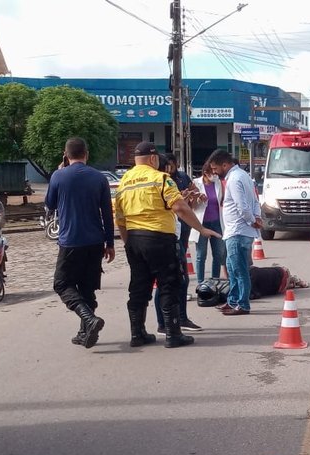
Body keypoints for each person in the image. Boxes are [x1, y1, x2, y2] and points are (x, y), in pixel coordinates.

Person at [115, 142, 219, 348]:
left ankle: (138, 334)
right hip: (159, 238)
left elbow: (119, 219)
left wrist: (129, 244)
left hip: (134, 240)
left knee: (138, 287)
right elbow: (180, 207)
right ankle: (173, 334)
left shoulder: (123, 183)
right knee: (169, 283)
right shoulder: (161, 178)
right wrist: (201, 229)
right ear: (153, 159)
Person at [45, 138, 115, 349]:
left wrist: (58, 174)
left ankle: (89, 319)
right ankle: (85, 332)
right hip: (95, 241)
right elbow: (107, 214)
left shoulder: (59, 176)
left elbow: (50, 204)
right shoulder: (99, 178)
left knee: (62, 284)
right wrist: (110, 242)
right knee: (87, 288)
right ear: (87, 154)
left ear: (65, 156)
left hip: (70, 241)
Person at [206, 149, 260, 315]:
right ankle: (233, 300)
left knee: (239, 270)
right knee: (232, 269)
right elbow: (255, 201)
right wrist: (256, 218)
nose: (214, 173)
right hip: (235, 231)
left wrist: (253, 220)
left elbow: (242, 206)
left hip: (238, 231)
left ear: (225, 164)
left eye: (215, 169)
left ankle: (243, 304)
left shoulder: (235, 179)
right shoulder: (242, 176)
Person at [152, 154, 201, 334]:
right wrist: (202, 229)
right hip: (167, 237)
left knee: (179, 280)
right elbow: (176, 207)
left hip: (178, 234)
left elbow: (187, 205)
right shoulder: (162, 182)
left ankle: (178, 319)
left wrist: (189, 197)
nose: (171, 170)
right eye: (168, 167)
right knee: (167, 282)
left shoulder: (180, 178)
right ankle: (165, 323)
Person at [190, 159, 227, 284]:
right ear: (205, 173)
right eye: (212, 173)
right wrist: (198, 198)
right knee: (201, 255)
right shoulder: (196, 183)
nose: (214, 175)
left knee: (218, 254)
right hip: (201, 223)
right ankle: (201, 282)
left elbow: (222, 201)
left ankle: (215, 281)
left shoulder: (218, 183)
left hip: (216, 222)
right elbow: (193, 206)